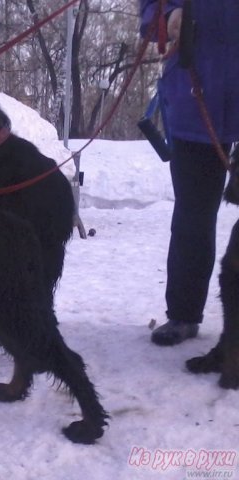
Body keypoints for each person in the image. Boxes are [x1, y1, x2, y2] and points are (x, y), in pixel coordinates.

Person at [139, 0, 239, 345]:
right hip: (195, 102)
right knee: (193, 218)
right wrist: (167, 17)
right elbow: (152, 10)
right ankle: (183, 314)